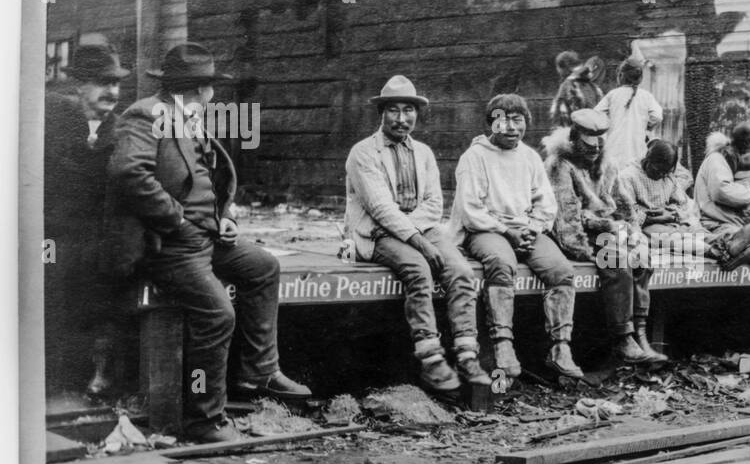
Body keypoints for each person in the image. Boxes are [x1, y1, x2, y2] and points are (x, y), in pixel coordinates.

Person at [107, 42, 311, 442]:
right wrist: (177, 218)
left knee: (262, 267)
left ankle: (259, 373)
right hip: (168, 245)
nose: (210, 96)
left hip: (205, 238)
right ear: (201, 89)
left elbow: (204, 182)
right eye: (208, 88)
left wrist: (224, 219)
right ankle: (204, 419)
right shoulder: (146, 113)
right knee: (219, 314)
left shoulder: (187, 118)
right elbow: (129, 173)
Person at [344, 75, 491, 394]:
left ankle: (467, 354)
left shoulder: (423, 152)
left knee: (461, 271)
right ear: (381, 114)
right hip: (378, 232)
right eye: (394, 110)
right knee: (418, 270)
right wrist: (417, 240)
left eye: (408, 110)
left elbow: (434, 203)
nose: (401, 118)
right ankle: (430, 358)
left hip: (419, 228)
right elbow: (380, 209)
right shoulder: (364, 153)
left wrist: (415, 230)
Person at [451, 93, 583, 378]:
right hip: (487, 228)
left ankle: (560, 346)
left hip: (525, 229)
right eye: (502, 120)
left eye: (517, 120)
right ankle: (503, 343)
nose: (510, 127)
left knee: (561, 270)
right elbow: (469, 208)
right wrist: (507, 232)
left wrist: (532, 229)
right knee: (501, 263)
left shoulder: (530, 157)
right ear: (490, 124)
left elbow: (546, 202)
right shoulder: (475, 156)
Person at [543, 109, 665, 364]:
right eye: (588, 148)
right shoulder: (560, 165)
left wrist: (633, 233)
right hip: (579, 234)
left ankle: (640, 334)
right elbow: (566, 219)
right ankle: (623, 338)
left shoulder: (606, 163)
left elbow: (623, 204)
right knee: (616, 260)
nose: (594, 152)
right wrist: (591, 246)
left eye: (598, 147)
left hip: (609, 229)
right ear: (575, 140)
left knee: (642, 258)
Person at [44, 43, 130, 397]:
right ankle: (50, 377)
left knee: (102, 299)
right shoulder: (52, 122)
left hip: (100, 237)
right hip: (55, 234)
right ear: (79, 85)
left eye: (115, 83)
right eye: (101, 82)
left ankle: (98, 376)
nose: (111, 91)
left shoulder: (123, 130)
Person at [693, 126, 750, 270]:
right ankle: (738, 251)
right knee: (730, 233)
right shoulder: (718, 158)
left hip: (734, 220)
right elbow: (722, 191)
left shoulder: (741, 161)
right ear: (747, 144)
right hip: (715, 219)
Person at [618, 138, 714, 263]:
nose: (662, 176)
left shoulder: (668, 177)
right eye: (658, 171)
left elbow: (682, 203)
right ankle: (711, 250)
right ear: (648, 159)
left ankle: (723, 243)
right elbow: (628, 214)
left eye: (666, 172)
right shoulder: (628, 177)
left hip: (671, 221)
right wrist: (655, 217)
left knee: (697, 231)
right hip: (647, 225)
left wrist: (673, 213)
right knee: (669, 238)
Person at [595, 57, 662, 176]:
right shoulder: (646, 96)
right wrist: (647, 126)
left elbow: (596, 115)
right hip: (636, 150)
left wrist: (607, 125)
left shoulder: (613, 95)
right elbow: (657, 116)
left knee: (613, 181)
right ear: (640, 78)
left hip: (614, 149)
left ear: (621, 76)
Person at [550, 52, 603, 128]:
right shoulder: (593, 86)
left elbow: (558, 113)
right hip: (594, 129)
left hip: (574, 131)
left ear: (563, 68)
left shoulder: (567, 84)